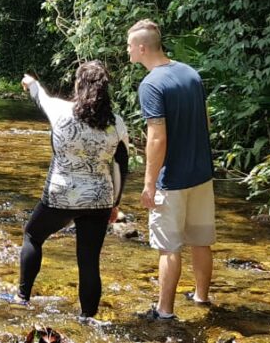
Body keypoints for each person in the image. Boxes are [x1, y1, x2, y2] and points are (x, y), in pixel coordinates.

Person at [16, 61, 130, 324]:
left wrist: (30, 82)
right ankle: (88, 318)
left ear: (78, 85)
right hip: (99, 199)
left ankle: (23, 298)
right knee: (88, 260)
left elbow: (39, 96)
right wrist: (115, 203)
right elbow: (121, 165)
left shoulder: (61, 111)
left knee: (33, 235)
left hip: (61, 195)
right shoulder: (116, 124)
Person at [126, 19, 215, 321]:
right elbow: (206, 122)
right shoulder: (190, 73)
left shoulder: (151, 84)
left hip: (173, 180)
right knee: (201, 240)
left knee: (168, 247)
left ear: (141, 48)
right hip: (202, 174)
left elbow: (157, 138)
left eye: (129, 46)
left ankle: (164, 311)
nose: (127, 51)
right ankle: (202, 297)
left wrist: (149, 184)